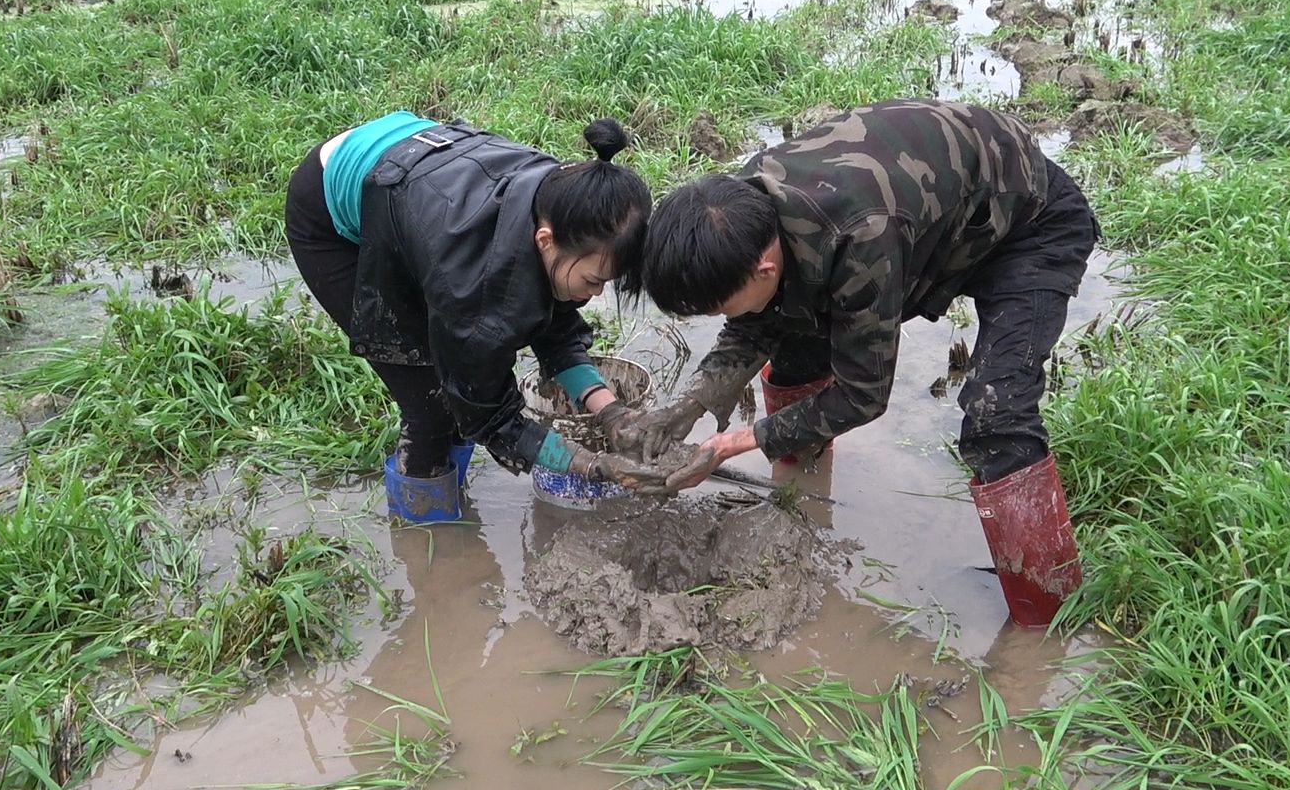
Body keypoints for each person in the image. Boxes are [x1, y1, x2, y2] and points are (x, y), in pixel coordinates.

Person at [631, 99, 1097, 627]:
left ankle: (1049, 617)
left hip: (1030, 220)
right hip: (938, 208)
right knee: (796, 346)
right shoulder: (736, 210)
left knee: (998, 415)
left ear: (762, 267)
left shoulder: (860, 240)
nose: (718, 315)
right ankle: (799, 505)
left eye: (717, 304)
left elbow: (863, 394)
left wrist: (730, 444)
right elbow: (754, 323)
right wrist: (687, 406)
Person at [285, 111, 705, 523]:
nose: (595, 293)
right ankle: (428, 539)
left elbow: (555, 326)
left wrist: (612, 413)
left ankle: (448, 496)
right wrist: (592, 466)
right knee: (432, 405)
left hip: (412, 164)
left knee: (453, 379)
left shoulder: (563, 204)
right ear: (545, 239)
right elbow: (489, 416)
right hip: (331, 200)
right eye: (595, 279)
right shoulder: (473, 285)